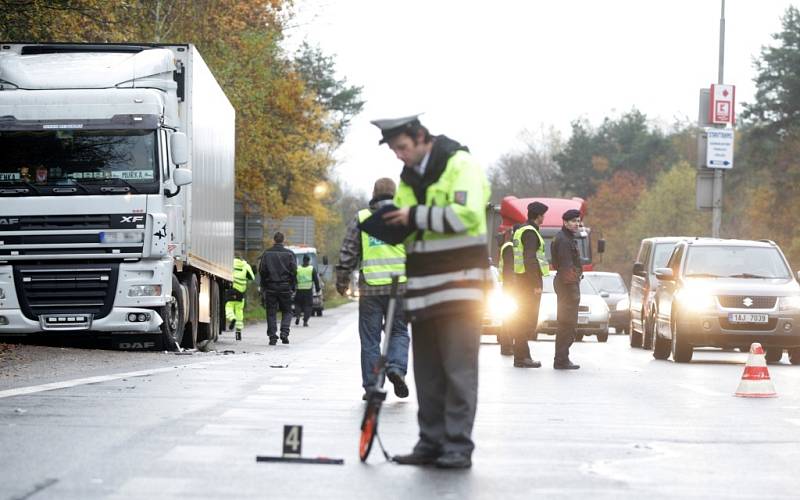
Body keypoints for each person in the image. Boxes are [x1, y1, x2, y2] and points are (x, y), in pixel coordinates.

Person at [371, 114, 490, 469]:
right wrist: (390, 223)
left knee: (458, 370)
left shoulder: (460, 163)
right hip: (423, 291)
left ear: (422, 137)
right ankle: (430, 442)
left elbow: (465, 215)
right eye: (394, 150)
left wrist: (413, 217)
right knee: (428, 374)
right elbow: (409, 224)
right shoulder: (408, 177)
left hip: (461, 287)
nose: (399, 156)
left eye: (402, 147)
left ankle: (457, 446)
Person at [335, 178, 410, 401]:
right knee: (398, 332)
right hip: (401, 289)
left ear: (374, 193)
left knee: (370, 339)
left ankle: (372, 385)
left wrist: (342, 280)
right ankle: (396, 368)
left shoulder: (362, 218)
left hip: (370, 290)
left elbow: (348, 252)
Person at [511, 202, 550, 368]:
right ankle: (521, 357)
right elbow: (530, 260)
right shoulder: (530, 232)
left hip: (521, 281)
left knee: (523, 319)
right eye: (543, 215)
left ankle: (523, 356)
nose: (544, 218)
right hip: (528, 283)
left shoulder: (522, 229)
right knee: (525, 320)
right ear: (539, 215)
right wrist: (535, 284)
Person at [550, 209, 583, 370]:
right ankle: (561, 359)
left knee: (566, 323)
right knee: (567, 324)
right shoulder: (564, 240)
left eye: (578, 221)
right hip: (567, 285)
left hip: (566, 284)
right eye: (574, 221)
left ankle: (562, 358)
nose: (577, 224)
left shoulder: (565, 237)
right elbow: (566, 266)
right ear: (565, 222)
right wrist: (574, 292)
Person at [258, 232, 297, 345]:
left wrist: (264, 285)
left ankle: (272, 337)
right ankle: (284, 333)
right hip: (285, 287)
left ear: (274, 240)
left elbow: (262, 271)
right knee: (287, 311)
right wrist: (292, 286)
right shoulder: (290, 254)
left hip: (271, 287)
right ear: (283, 240)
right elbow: (294, 271)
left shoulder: (267, 253)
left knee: (271, 312)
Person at [496, 226, 518, 356]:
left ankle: (507, 345)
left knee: (509, 318)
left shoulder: (507, 246)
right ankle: (507, 346)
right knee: (509, 318)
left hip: (508, 286)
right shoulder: (510, 247)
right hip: (510, 287)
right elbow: (509, 269)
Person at [225, 255, 255, 341]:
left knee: (229, 306)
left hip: (231, 289)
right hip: (241, 292)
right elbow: (252, 277)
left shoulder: (230, 263)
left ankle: (232, 318)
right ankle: (238, 332)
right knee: (239, 311)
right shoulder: (246, 265)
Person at [294, 255, 320, 327]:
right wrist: (318, 289)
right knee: (308, 306)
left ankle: (298, 316)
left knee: (297, 304)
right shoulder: (311, 269)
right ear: (309, 261)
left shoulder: (298, 268)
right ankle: (305, 321)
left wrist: (293, 286)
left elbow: (293, 278)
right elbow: (316, 280)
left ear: (303, 260)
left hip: (299, 290)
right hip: (308, 291)